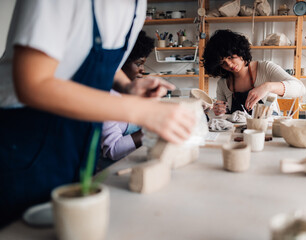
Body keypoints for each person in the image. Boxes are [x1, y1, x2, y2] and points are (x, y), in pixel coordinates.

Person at [0, 0, 195, 227]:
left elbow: (92, 58)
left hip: (80, 136)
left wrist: (127, 86)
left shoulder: (137, 5)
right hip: (26, 138)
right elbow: (33, 84)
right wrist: (143, 112)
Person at [202, 29, 306, 116]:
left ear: (239, 51)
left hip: (267, 129)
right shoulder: (223, 83)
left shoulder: (265, 68)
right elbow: (224, 117)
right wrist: (219, 111)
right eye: (223, 62)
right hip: (237, 133)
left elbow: (300, 88)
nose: (229, 64)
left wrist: (267, 87)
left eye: (230, 57)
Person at [100, 30, 154, 164]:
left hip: (133, 160)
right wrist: (152, 131)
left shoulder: (134, 92)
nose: (142, 69)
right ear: (120, 63)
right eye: (138, 63)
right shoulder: (104, 98)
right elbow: (112, 149)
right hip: (109, 170)